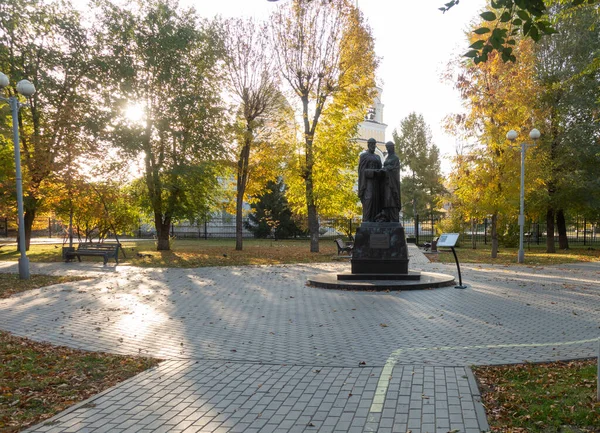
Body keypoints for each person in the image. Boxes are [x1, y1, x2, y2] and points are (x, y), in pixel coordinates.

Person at [358, 138, 382, 222]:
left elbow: (380, 169)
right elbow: (362, 171)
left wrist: (379, 172)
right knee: (369, 198)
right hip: (368, 182)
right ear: (368, 145)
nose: (373, 146)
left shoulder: (377, 157)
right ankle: (367, 219)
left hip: (376, 182)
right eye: (371, 144)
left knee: (377, 199)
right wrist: (372, 172)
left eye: (374, 144)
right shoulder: (364, 156)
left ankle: (376, 218)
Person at [380, 141, 401, 222]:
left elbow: (396, 169)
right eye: (387, 147)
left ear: (392, 147)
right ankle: (386, 216)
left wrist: (388, 169)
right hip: (385, 182)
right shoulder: (387, 157)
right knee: (386, 199)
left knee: (391, 198)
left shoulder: (395, 158)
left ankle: (393, 217)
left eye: (389, 147)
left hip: (392, 182)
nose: (388, 149)